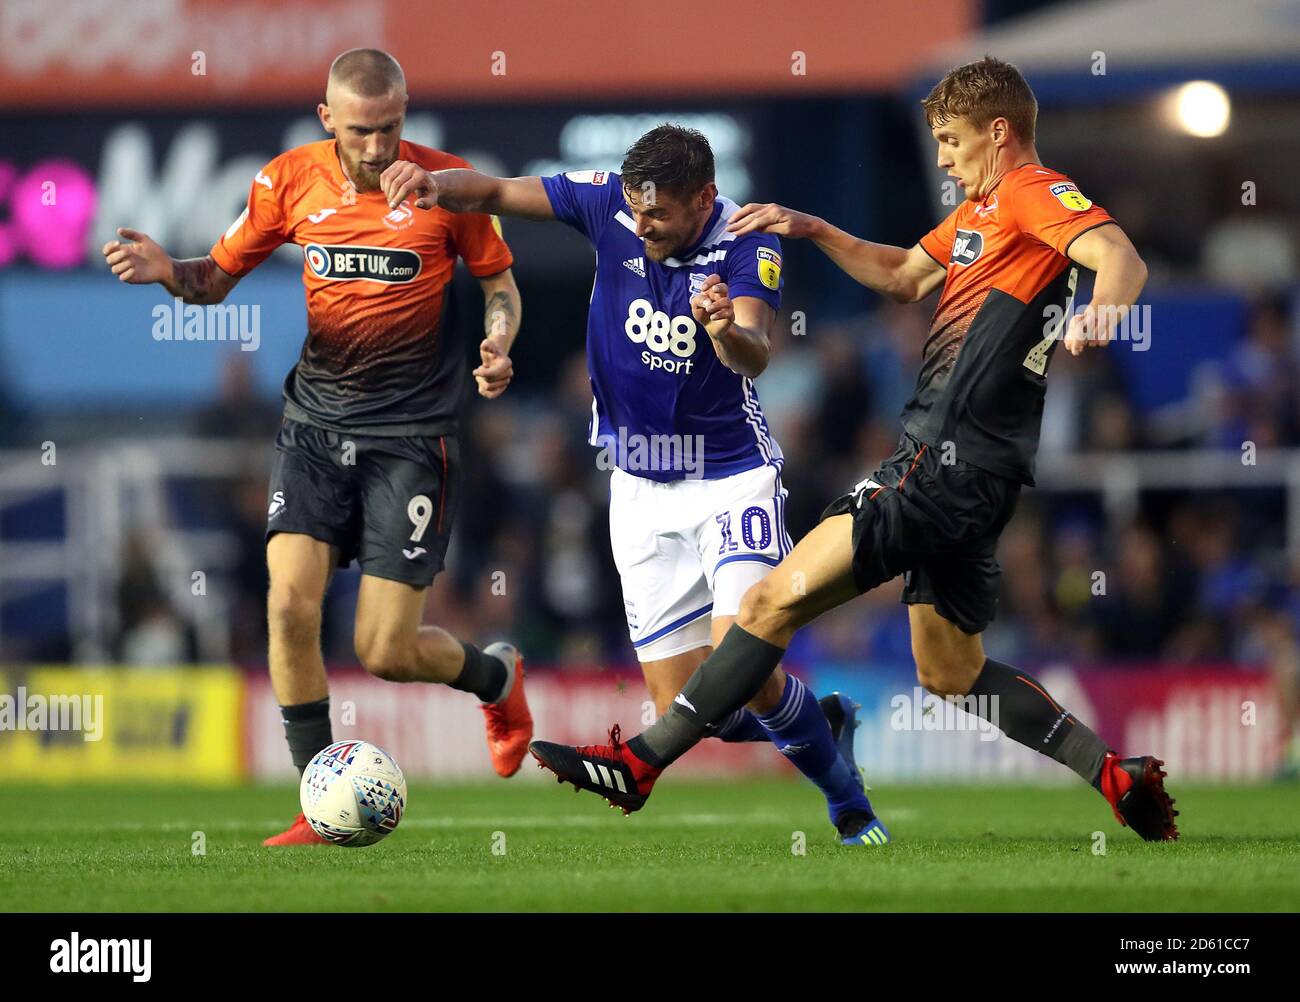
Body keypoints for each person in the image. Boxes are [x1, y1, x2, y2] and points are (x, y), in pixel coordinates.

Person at [527, 57, 1179, 843]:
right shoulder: (981, 215)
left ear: (998, 133)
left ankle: (640, 765)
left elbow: (1119, 255)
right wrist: (814, 228)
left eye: (951, 139)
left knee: (767, 606)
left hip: (936, 459)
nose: (941, 157)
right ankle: (1110, 771)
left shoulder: (1032, 193)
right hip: (986, 478)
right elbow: (905, 275)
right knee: (951, 671)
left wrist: (1103, 311)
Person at [381, 124, 888, 845]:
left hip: (729, 481)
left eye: (658, 214)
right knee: (691, 704)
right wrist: (435, 185)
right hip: (638, 491)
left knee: (739, 659)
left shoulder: (747, 239)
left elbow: (754, 355)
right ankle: (821, 718)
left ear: (704, 197)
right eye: (635, 208)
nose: (641, 223)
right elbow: (492, 189)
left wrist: (720, 329)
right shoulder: (608, 206)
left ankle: (850, 806)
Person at [102, 49, 533, 846]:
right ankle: (314, 797)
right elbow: (213, 281)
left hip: (410, 440)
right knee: (289, 606)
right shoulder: (285, 181)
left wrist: (499, 343)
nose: (379, 148)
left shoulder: (449, 184)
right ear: (327, 118)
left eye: (393, 129)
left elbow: (499, 285)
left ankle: (495, 675)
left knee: (385, 651)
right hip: (313, 427)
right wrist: (168, 271)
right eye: (363, 130)